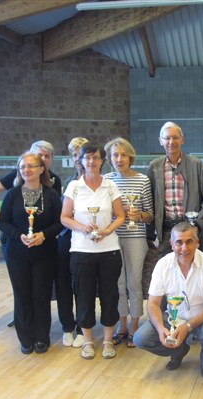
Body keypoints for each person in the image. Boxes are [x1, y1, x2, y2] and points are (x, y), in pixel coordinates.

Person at [133, 222, 203, 378]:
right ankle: (179, 350)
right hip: (174, 318)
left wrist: (188, 327)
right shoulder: (162, 264)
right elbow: (153, 303)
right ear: (171, 244)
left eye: (189, 241)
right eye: (179, 242)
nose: (184, 248)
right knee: (140, 339)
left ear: (197, 242)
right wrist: (160, 328)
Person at [61, 143, 125, 360]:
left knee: (110, 295)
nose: (91, 162)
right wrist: (83, 228)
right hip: (81, 251)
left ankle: (107, 340)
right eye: (87, 157)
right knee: (84, 296)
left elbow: (121, 216)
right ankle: (88, 341)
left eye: (95, 158)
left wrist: (107, 230)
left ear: (101, 160)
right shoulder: (74, 187)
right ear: (80, 160)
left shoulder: (110, 186)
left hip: (109, 250)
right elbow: (65, 217)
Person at [0, 152, 63, 354]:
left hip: (44, 253)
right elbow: (3, 222)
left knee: (41, 295)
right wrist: (19, 236)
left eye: (31, 166)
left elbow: (60, 222)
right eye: (23, 167)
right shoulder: (12, 194)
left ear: (41, 169)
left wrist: (44, 234)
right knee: (22, 295)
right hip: (17, 253)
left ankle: (42, 337)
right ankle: (26, 338)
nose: (26, 170)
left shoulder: (51, 195)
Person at [103, 137, 154, 348]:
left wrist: (138, 216)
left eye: (123, 154)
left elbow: (150, 214)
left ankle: (135, 325)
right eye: (115, 155)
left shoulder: (142, 180)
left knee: (134, 283)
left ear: (130, 157)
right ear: (109, 158)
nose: (119, 158)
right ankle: (121, 325)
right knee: (118, 284)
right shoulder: (105, 180)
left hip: (135, 239)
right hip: (111, 239)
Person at [147, 121, 203, 254]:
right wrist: (150, 233)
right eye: (167, 138)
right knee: (168, 271)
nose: (171, 142)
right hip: (166, 233)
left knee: (195, 270)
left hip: (192, 230)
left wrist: (197, 225)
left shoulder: (198, 165)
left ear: (182, 140)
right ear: (160, 141)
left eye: (175, 137)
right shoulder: (154, 167)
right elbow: (150, 200)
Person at [57, 137, 89, 348]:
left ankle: (82, 326)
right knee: (63, 284)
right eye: (74, 154)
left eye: (82, 154)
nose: (78, 158)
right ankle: (67, 326)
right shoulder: (67, 183)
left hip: (88, 239)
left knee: (83, 286)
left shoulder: (100, 182)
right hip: (68, 238)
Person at [0, 140, 61, 222]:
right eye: (40, 155)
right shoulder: (20, 174)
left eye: (47, 156)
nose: (43, 159)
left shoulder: (54, 179)